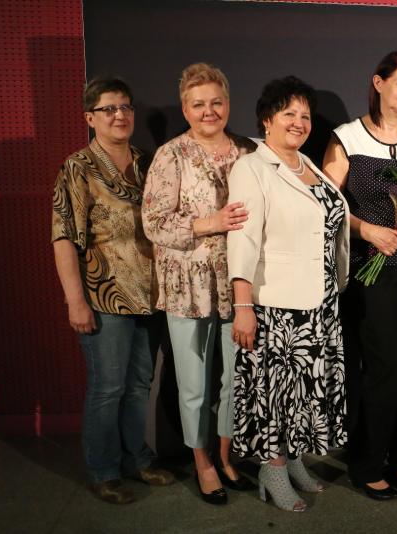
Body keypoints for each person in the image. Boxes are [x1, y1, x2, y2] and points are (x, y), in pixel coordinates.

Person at [322, 51, 397, 500]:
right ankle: (368, 463)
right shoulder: (347, 138)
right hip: (371, 267)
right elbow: (328, 205)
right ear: (378, 84)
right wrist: (367, 230)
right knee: (382, 366)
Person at [227, 76, 350, 512]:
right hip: (276, 306)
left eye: (305, 115)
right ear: (267, 119)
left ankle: (294, 459)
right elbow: (242, 239)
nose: (298, 122)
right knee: (276, 394)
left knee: (303, 392)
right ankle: (272, 469)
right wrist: (243, 305)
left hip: (320, 302)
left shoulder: (307, 163)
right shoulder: (252, 167)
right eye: (288, 113)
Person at [51, 77, 174, 504]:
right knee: (107, 388)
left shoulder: (148, 164)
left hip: (150, 295)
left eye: (125, 107)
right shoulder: (78, 167)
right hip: (104, 297)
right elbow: (64, 238)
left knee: (139, 384)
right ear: (90, 118)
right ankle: (103, 470)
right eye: (108, 108)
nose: (119, 115)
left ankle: (136, 459)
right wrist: (75, 300)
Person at [142, 63, 256, 505]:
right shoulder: (170, 155)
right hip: (187, 287)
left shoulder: (248, 150)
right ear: (186, 109)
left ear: (228, 103)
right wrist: (211, 222)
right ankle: (202, 461)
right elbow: (154, 223)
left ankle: (226, 455)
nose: (209, 111)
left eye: (216, 102)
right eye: (198, 104)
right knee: (193, 384)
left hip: (239, 285)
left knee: (235, 379)